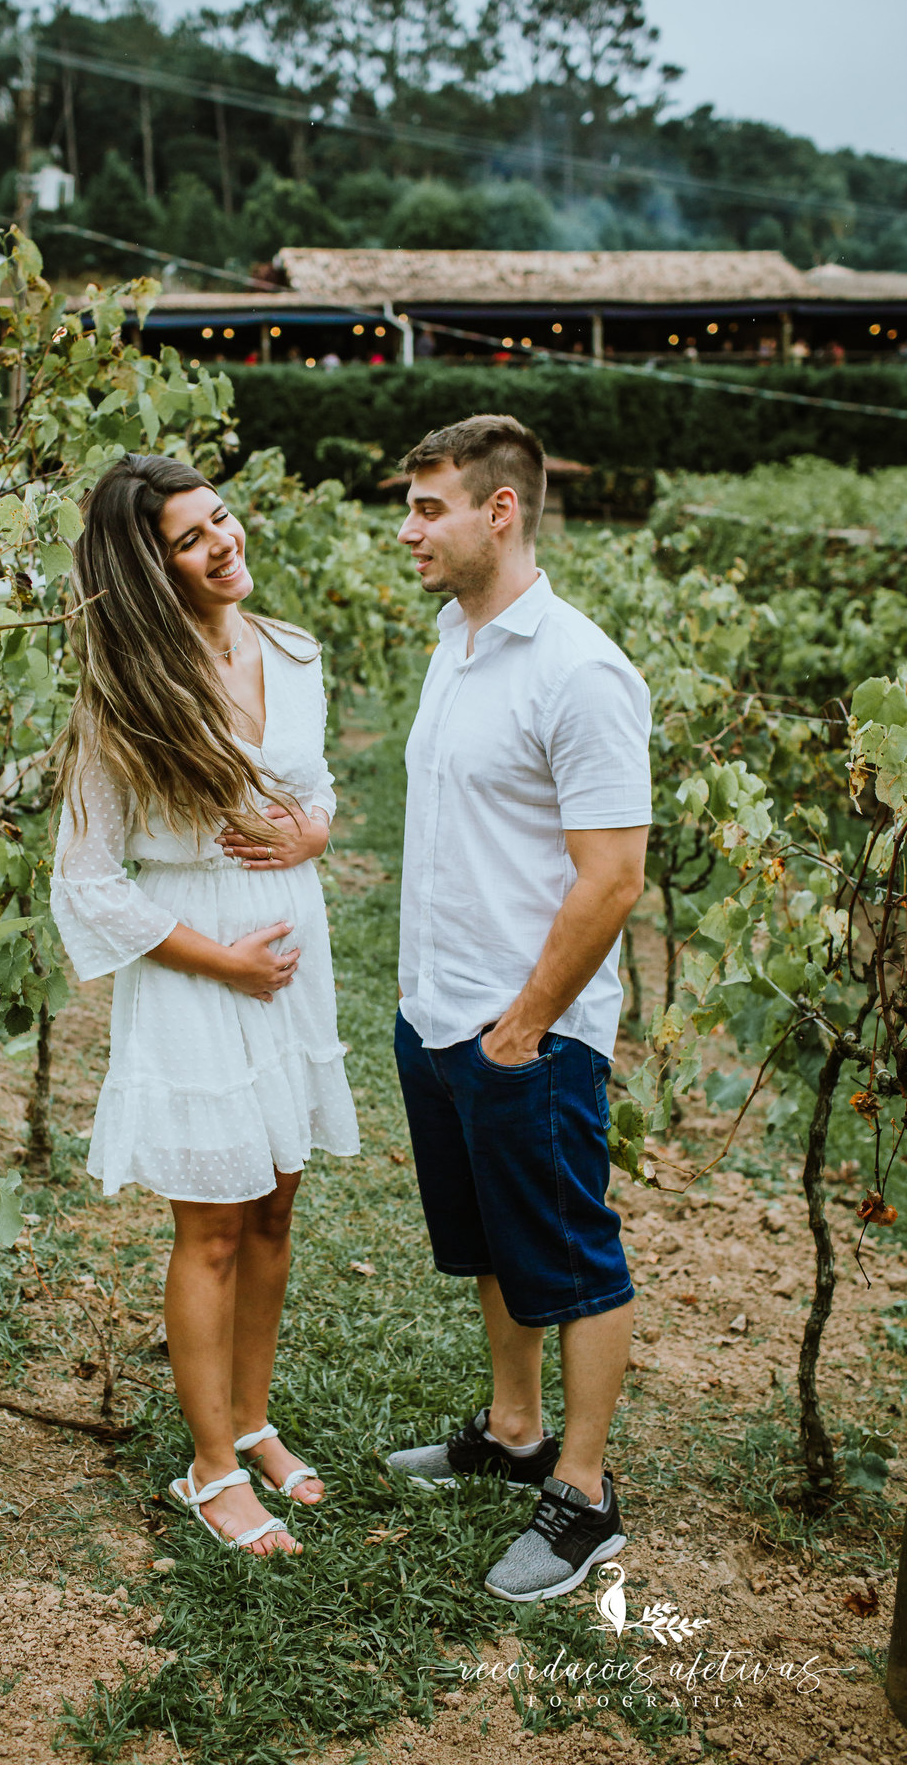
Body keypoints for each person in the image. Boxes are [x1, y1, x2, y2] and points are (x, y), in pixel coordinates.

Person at [49, 453, 359, 1558]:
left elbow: (314, 787)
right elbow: (85, 877)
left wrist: (315, 832)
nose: (223, 541)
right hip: (197, 969)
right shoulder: (126, 694)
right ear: (149, 567)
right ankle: (211, 1468)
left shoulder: (293, 651)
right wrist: (219, 961)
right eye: (190, 537)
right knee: (215, 1224)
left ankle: (254, 1419)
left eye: (219, 518)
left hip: (291, 955)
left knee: (277, 1205)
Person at [385, 414, 651, 1603]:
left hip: (524, 1031)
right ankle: (512, 1430)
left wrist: (523, 1026)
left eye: (428, 507)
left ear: (501, 510)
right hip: (439, 1013)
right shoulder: (456, 643)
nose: (407, 530)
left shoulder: (581, 669)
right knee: (495, 1242)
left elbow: (613, 877)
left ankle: (584, 1496)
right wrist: (443, 1015)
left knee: (572, 1257)